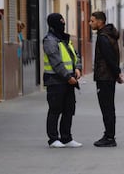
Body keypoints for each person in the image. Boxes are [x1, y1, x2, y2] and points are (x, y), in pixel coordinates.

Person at [43, 13, 82, 148]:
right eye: (60, 24)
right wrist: (68, 76)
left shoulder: (65, 39)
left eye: (63, 23)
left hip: (69, 79)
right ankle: (53, 139)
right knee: (55, 109)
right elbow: (56, 62)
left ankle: (66, 137)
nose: (63, 26)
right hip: (55, 80)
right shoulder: (49, 41)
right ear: (53, 25)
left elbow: (75, 55)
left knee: (69, 109)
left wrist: (77, 68)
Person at [89, 11, 124, 147]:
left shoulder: (103, 37)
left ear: (100, 21)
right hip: (108, 76)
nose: (90, 23)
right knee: (108, 107)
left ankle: (109, 137)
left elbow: (109, 57)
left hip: (104, 77)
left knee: (106, 107)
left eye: (92, 21)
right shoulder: (109, 34)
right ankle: (109, 135)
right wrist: (116, 74)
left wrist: (117, 74)